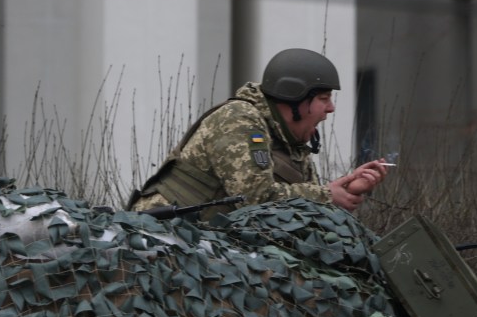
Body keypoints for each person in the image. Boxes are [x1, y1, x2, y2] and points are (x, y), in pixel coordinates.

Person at [128, 48, 388, 220]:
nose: (330, 108)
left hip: (205, 243)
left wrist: (343, 189)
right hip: (159, 237)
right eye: (323, 98)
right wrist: (327, 195)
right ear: (295, 100)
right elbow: (254, 200)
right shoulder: (239, 119)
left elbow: (298, 206)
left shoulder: (290, 143)